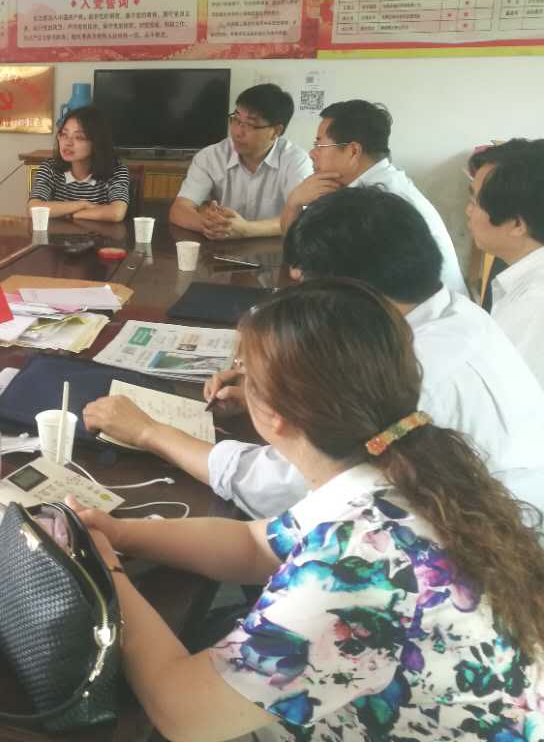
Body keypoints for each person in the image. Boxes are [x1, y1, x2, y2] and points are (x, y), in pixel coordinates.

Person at [69, 279, 544, 742]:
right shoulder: (408, 465)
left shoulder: (360, 563)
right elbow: (254, 544)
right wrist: (119, 533)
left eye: (245, 372)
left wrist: (106, 572)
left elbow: (182, 714)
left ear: (274, 414)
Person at [86, 187, 544, 520]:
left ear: (351, 293)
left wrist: (149, 431)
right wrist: (274, 394)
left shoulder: (412, 374)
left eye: (308, 287)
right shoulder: (456, 314)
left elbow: (281, 486)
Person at [280, 99, 468, 297]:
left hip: (423, 312)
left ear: (353, 151)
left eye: (320, 144)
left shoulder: (378, 200)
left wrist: (294, 202)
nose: (312, 153)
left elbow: (300, 266)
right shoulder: (374, 183)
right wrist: (294, 202)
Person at [169, 83, 312, 240]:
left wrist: (247, 229)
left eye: (249, 124)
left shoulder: (296, 161)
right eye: (236, 120)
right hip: (221, 248)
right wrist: (210, 225)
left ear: (276, 131)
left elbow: (304, 219)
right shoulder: (210, 156)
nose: (237, 132)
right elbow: (179, 209)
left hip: (276, 250)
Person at [467, 138, 544, 387]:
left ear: (517, 224)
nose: (468, 212)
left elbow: (507, 399)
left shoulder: (533, 309)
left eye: (474, 202)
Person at [27, 105, 130, 222]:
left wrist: (72, 215)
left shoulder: (116, 171)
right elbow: (33, 209)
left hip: (99, 234)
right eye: (64, 134)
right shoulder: (50, 168)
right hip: (57, 234)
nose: (68, 143)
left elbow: (116, 213)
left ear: (97, 142)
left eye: (79, 137)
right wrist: (82, 204)